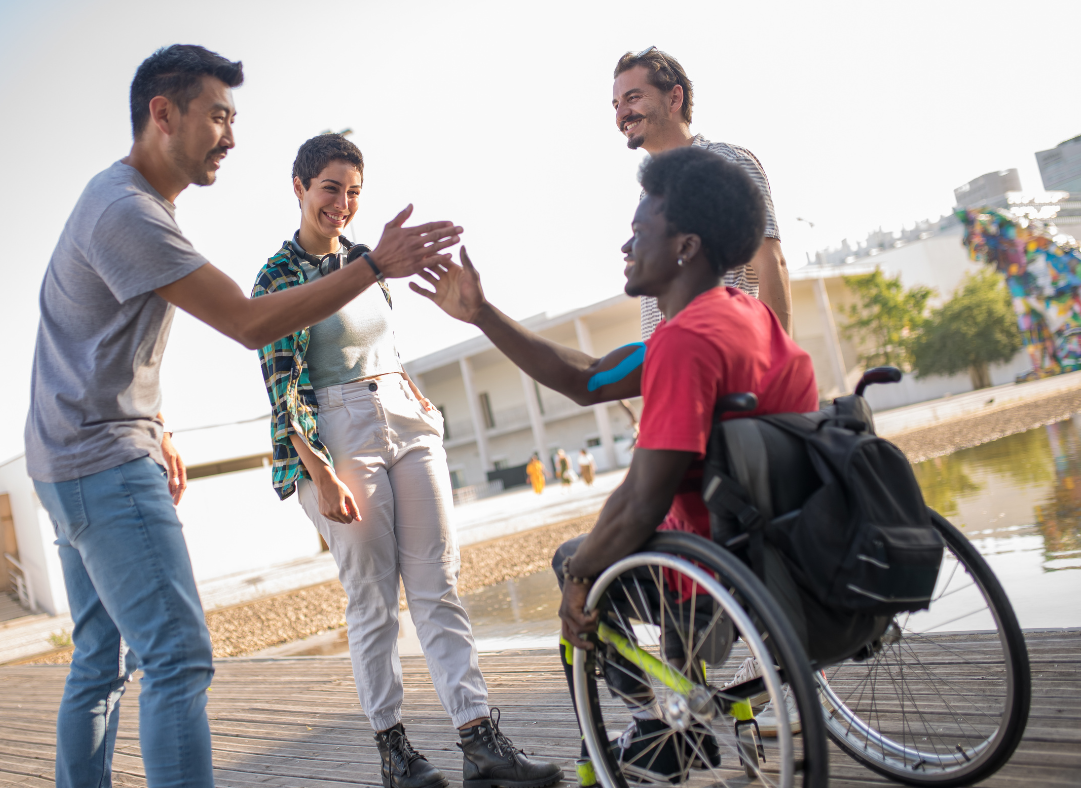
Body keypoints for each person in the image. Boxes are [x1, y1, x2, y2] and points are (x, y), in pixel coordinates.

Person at [25, 45, 462, 788]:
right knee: (178, 657)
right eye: (219, 116)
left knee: (99, 660)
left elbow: (94, 340)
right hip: (101, 462)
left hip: (68, 454)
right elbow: (251, 324)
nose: (231, 136)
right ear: (164, 114)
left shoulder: (124, 202)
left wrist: (156, 423)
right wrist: (372, 266)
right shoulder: (129, 211)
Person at [416, 146, 816, 785]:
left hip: (723, 575)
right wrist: (483, 314)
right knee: (617, 549)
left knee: (577, 559)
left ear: (684, 247)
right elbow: (589, 376)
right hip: (788, 556)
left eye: (638, 232)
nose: (625, 247)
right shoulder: (751, 318)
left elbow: (641, 500)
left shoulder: (685, 343)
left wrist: (579, 576)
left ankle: (661, 726)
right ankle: (676, 715)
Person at [252, 134, 560, 788]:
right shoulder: (277, 277)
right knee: (371, 598)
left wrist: (408, 389)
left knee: (437, 584)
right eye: (330, 188)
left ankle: (481, 739)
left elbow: (377, 347)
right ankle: (396, 753)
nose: (343, 203)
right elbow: (283, 383)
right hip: (336, 432)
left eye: (354, 192)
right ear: (300, 187)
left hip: (403, 417)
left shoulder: (366, 260)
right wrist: (319, 468)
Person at [612, 46, 791, 338]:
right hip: (678, 370)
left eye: (633, 98)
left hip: (729, 363)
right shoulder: (648, 195)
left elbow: (771, 264)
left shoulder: (726, 163)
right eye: (616, 104)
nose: (622, 113)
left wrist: (776, 371)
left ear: (674, 98)